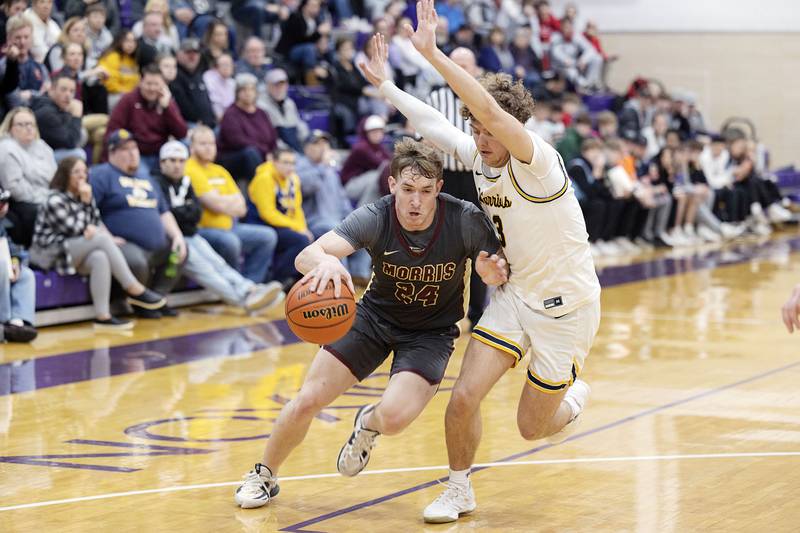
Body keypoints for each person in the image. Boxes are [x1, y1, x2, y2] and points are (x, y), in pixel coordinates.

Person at [360, 3, 601, 522]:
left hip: (567, 308)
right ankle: (458, 487)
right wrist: (385, 87)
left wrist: (432, 54)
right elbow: (429, 122)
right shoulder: (480, 153)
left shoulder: (540, 161)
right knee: (463, 397)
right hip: (514, 298)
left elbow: (491, 113)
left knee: (532, 427)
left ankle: (575, 396)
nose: (482, 139)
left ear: (515, 128)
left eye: (490, 131)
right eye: (476, 130)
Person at [233, 137, 507, 510]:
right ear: (392, 185)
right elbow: (305, 256)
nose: (416, 201)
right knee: (307, 400)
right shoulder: (376, 216)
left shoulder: (464, 219)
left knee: (393, 419)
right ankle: (263, 474)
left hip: (430, 334)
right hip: (373, 319)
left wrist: (490, 272)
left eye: (426, 191)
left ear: (439, 189)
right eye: (407, 189)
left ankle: (368, 424)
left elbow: (496, 270)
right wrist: (325, 262)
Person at [31, 156, 166, 329]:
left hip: (73, 250)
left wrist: (87, 206)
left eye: (84, 171)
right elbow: (75, 228)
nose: (82, 176)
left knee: (99, 257)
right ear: (65, 175)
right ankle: (133, 287)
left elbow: (93, 224)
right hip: (50, 253)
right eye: (76, 172)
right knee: (101, 238)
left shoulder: (85, 195)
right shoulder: (54, 200)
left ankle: (103, 317)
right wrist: (87, 209)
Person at [152, 141, 286, 313]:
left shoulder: (186, 181)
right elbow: (168, 213)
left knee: (218, 263)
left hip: (191, 234)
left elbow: (196, 213)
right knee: (206, 270)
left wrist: (182, 212)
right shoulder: (155, 184)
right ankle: (243, 301)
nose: (177, 165)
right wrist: (184, 212)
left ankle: (250, 289)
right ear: (162, 163)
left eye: (180, 161)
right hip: (171, 238)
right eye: (172, 160)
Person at [90, 129, 188, 318]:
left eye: (134, 148)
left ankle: (157, 300)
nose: (132, 153)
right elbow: (89, 210)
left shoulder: (146, 178)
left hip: (156, 246)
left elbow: (164, 212)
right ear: (111, 153)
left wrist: (177, 236)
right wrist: (106, 236)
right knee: (136, 261)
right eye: (125, 149)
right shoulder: (101, 175)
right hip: (124, 244)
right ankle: (141, 303)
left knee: (179, 250)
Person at [185, 125, 278, 283]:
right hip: (204, 230)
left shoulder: (220, 170)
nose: (209, 148)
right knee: (230, 241)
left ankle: (252, 284)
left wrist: (221, 201)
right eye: (203, 144)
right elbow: (215, 205)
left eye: (212, 143)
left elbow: (242, 207)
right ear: (192, 147)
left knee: (267, 236)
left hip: (231, 227)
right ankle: (235, 285)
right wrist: (226, 202)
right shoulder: (189, 168)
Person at [245, 148, 313, 289]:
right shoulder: (264, 178)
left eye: (293, 163)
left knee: (310, 238)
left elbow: (297, 208)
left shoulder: (293, 178)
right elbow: (267, 213)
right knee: (299, 240)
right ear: (274, 162)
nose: (290, 167)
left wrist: (303, 228)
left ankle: (297, 281)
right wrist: (296, 228)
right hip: (261, 223)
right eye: (285, 163)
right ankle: (278, 280)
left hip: (283, 224)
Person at [0, 185, 37, 342]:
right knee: (1, 265)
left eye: (5, 202)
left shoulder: (2, 224)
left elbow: (13, 249)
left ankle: (20, 321)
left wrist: (15, 262)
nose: (3, 207)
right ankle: (5, 322)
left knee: (25, 274)